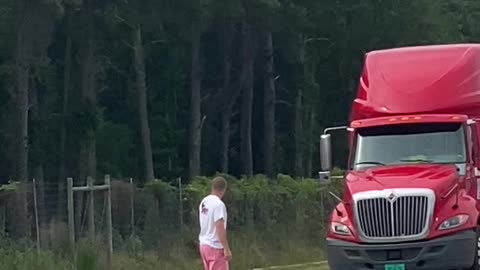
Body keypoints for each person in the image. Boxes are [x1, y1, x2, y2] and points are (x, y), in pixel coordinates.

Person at [198, 176, 232, 270]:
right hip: (215, 246)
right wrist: (226, 248)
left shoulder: (204, 202)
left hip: (204, 244)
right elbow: (219, 227)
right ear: (224, 189)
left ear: (212, 187)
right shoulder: (218, 205)